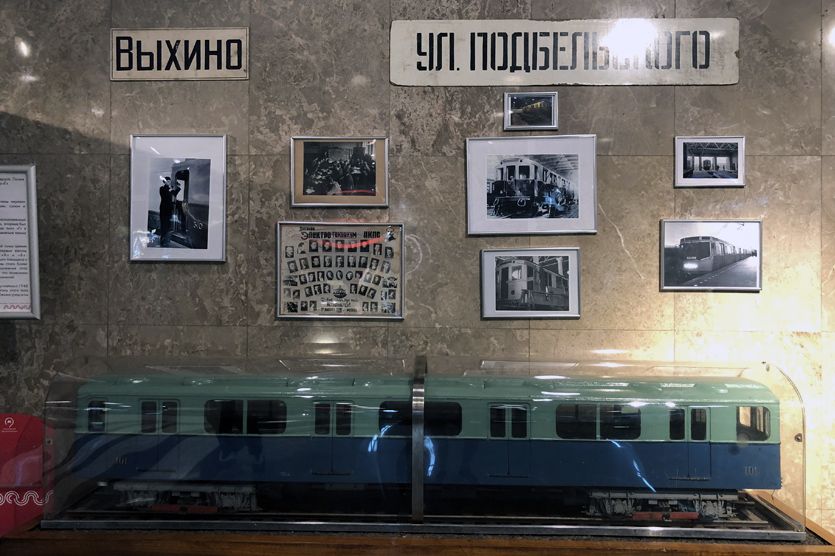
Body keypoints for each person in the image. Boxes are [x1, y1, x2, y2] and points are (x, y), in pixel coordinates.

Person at [158, 176, 180, 247]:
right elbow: (166, 195)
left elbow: (174, 193)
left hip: (168, 210)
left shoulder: (169, 190)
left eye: (170, 181)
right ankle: (162, 241)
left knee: (168, 225)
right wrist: (170, 188)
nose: (169, 182)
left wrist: (178, 187)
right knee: (164, 225)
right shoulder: (162, 189)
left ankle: (165, 240)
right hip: (163, 210)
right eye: (168, 181)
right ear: (164, 182)